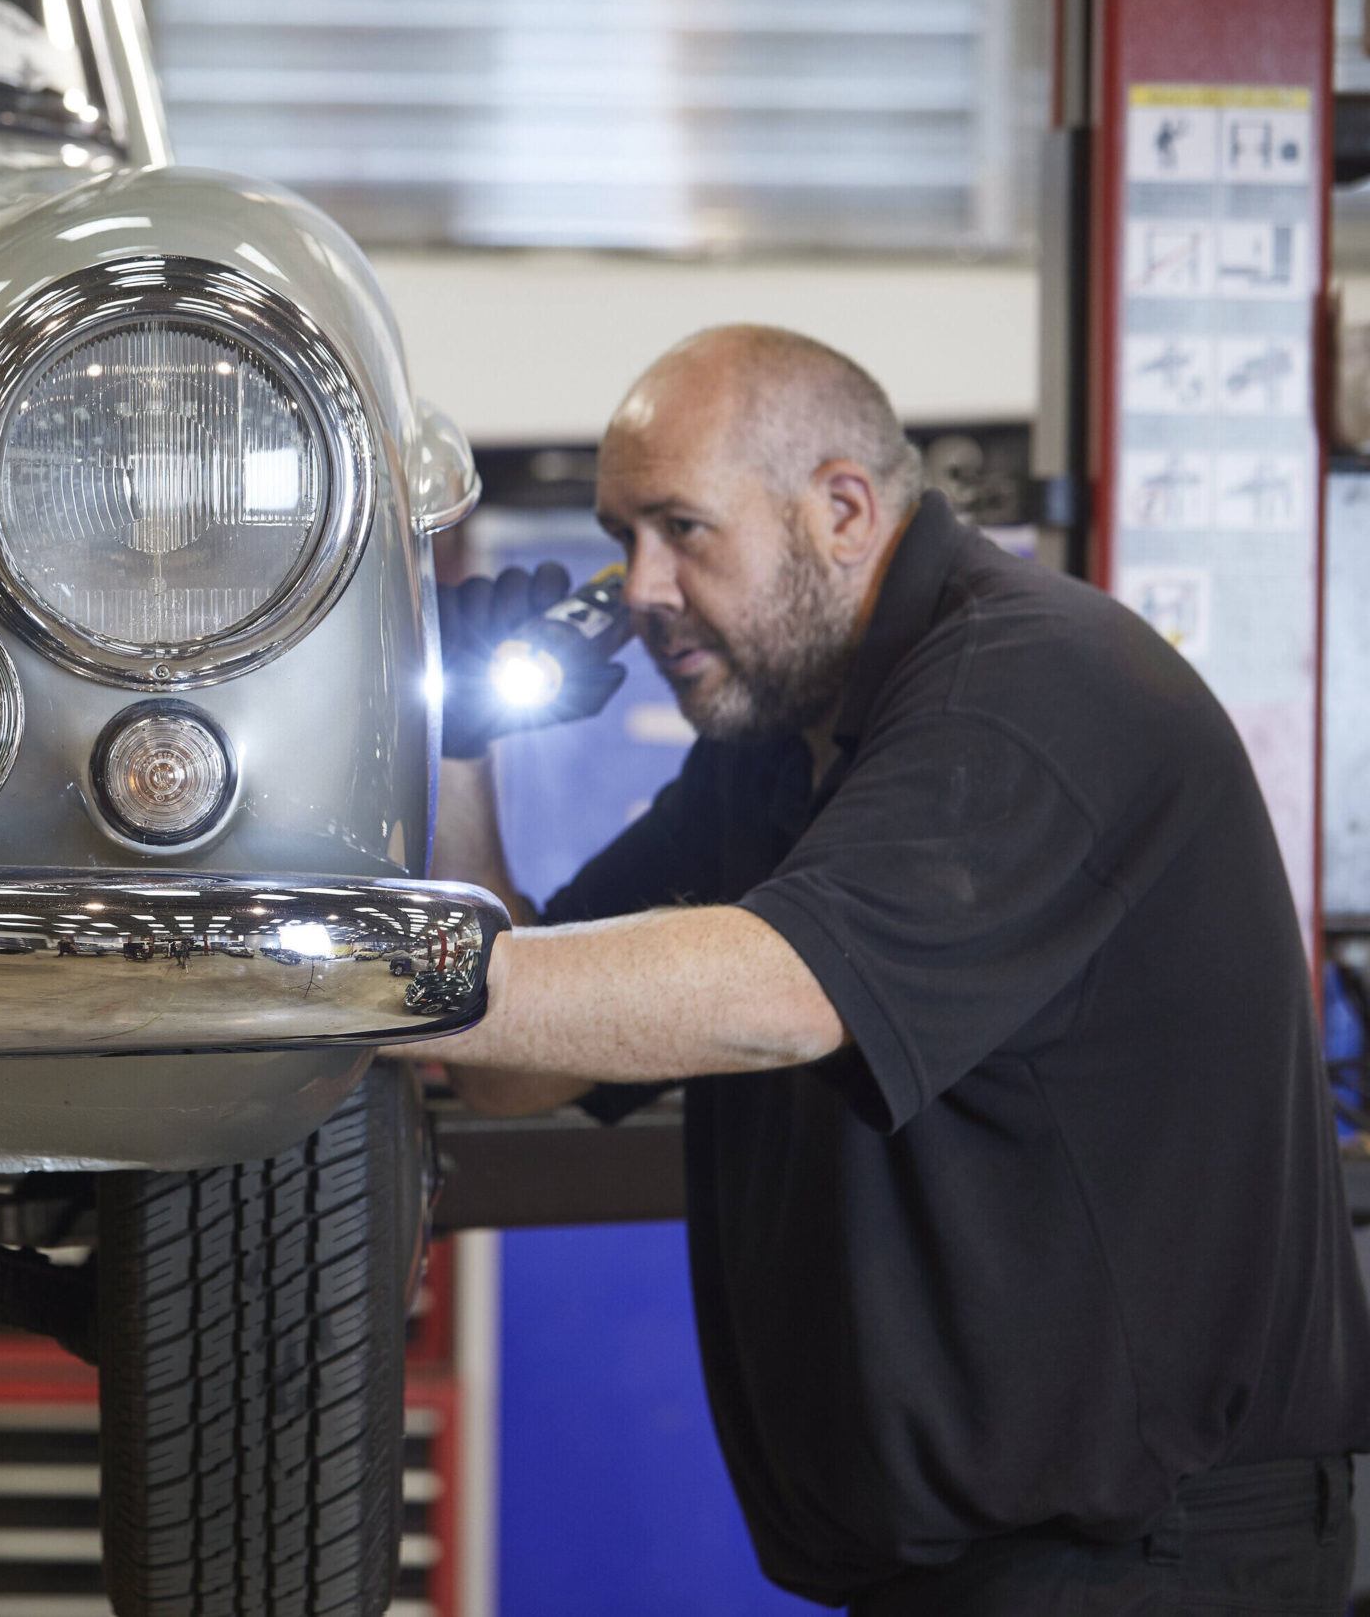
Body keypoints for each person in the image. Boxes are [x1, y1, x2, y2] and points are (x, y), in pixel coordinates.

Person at [402, 324, 1370, 1614]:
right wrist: (452, 738)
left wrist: (348, 990)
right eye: (621, 535)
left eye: (682, 529)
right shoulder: (770, 747)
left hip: (1145, 1556)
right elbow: (518, 1071)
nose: (637, 587)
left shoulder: (1033, 684)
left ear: (844, 508)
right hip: (971, 1567)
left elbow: (782, 990)